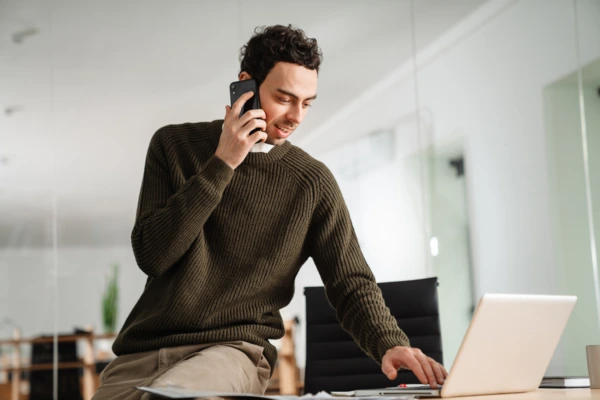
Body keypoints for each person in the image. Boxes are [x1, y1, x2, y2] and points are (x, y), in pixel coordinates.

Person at [92, 24, 447, 400]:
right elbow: (153, 255)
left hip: (232, 352)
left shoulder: (311, 183)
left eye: (307, 103)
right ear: (247, 84)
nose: (296, 116)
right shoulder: (173, 145)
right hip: (140, 355)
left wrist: (389, 342)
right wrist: (223, 163)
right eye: (284, 98)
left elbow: (350, 281)